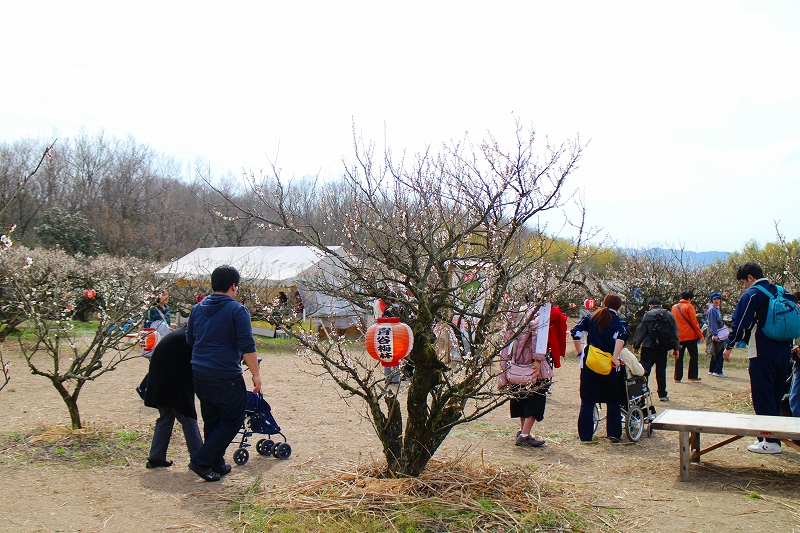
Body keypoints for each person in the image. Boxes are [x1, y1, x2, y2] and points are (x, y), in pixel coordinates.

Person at [185, 265, 261, 481]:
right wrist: (256, 374)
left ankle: (216, 464)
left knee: (212, 420)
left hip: (199, 372)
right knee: (232, 420)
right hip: (225, 375)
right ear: (233, 286)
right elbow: (247, 345)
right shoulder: (237, 310)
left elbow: (190, 340)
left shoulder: (197, 309)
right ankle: (201, 462)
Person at [722, 262, 795, 454]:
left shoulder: (752, 294)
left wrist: (729, 346)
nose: (744, 286)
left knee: (762, 395)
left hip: (762, 351)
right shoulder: (783, 292)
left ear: (751, 278)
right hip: (785, 351)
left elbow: (740, 323)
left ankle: (768, 441)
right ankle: (774, 437)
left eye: (744, 282)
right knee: (775, 395)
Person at [571, 294, 628, 443]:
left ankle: (585, 436)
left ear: (604, 303)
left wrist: (580, 352)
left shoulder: (591, 319)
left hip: (589, 364)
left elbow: (576, 333)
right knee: (613, 400)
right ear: (619, 307)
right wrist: (615, 358)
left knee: (587, 401)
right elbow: (620, 339)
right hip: (609, 367)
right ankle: (613, 434)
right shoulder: (619, 322)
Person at [143, 326, 203, 469]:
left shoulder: (181, 334)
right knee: (187, 418)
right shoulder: (193, 337)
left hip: (160, 379)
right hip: (174, 381)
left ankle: (156, 456)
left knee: (166, 416)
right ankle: (199, 459)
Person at [500, 304, 556, 448]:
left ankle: (523, 432)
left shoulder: (513, 314)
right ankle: (525, 435)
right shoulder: (538, 316)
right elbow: (538, 339)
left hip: (515, 364)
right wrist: (538, 360)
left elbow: (506, 341)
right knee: (535, 397)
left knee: (521, 397)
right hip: (530, 364)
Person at [632, 297, 680, 402]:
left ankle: (642, 394)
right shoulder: (668, 314)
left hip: (648, 347)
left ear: (650, 305)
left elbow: (641, 331)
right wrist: (676, 348)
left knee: (644, 371)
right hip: (662, 347)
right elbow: (674, 332)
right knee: (661, 370)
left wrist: (636, 345)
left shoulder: (648, 315)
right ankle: (662, 394)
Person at [671, 290, 704, 383]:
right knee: (693, 356)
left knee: (679, 356)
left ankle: (677, 377)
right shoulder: (689, 307)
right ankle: (692, 375)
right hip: (690, 336)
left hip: (678, 336)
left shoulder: (674, 307)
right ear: (690, 298)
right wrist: (701, 335)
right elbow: (694, 322)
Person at [705, 292, 728, 377]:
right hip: (715, 333)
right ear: (712, 300)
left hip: (717, 332)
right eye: (714, 299)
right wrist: (715, 335)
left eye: (718, 299)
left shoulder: (716, 309)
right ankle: (718, 370)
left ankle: (712, 369)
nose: (716, 301)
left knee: (715, 352)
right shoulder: (712, 310)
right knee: (719, 351)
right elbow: (712, 323)